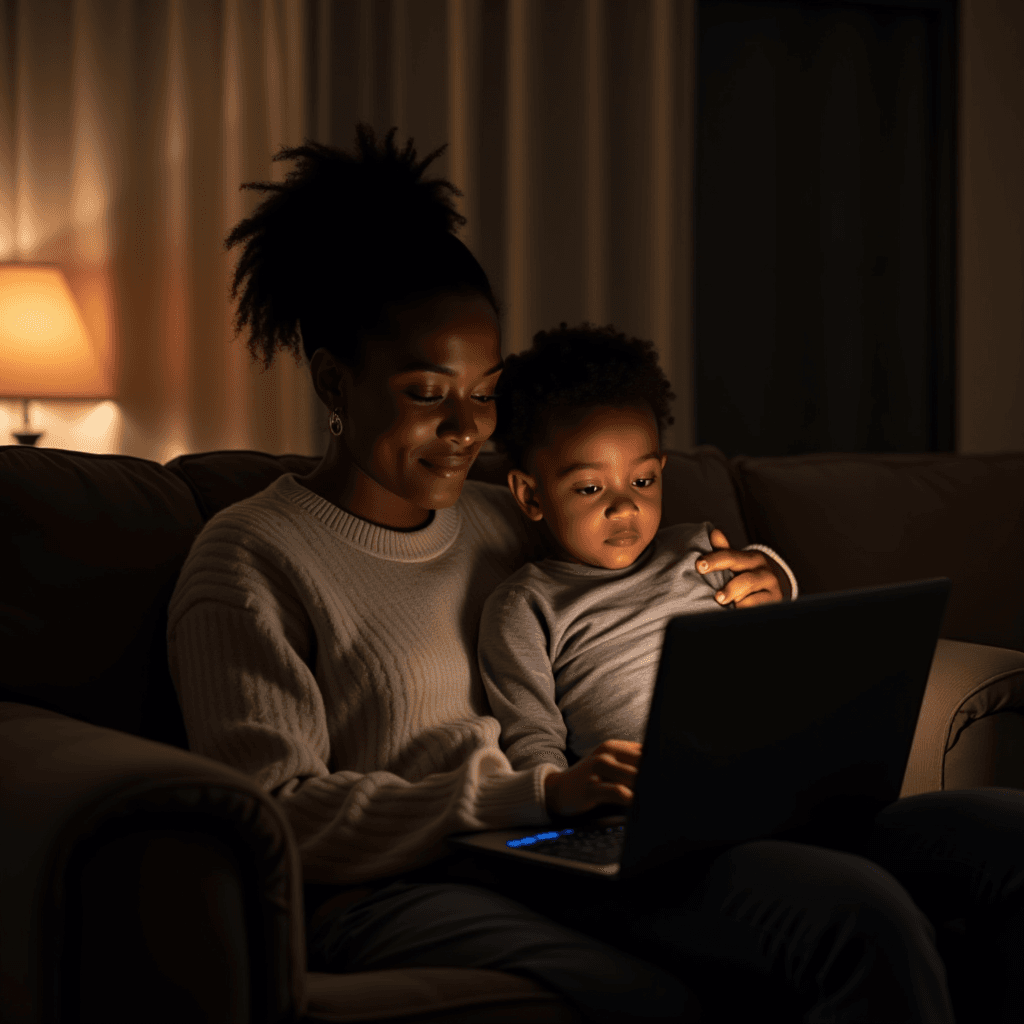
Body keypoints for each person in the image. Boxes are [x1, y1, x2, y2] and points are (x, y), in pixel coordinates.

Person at [167, 124, 1024, 1023]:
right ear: (334, 384)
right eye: (427, 395)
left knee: (998, 842)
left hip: (569, 840)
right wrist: (536, 792)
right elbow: (273, 814)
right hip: (406, 883)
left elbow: (644, 584)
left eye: (486, 391)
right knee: (824, 929)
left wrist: (762, 584)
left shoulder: (506, 514)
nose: (469, 429)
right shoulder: (251, 558)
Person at [478, 322, 797, 773]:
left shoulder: (700, 550)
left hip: (771, 761)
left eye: (643, 480)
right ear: (531, 496)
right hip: (656, 797)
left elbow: (784, 642)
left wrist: (778, 581)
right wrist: (563, 801)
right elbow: (532, 740)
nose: (625, 506)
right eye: (590, 488)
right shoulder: (525, 607)